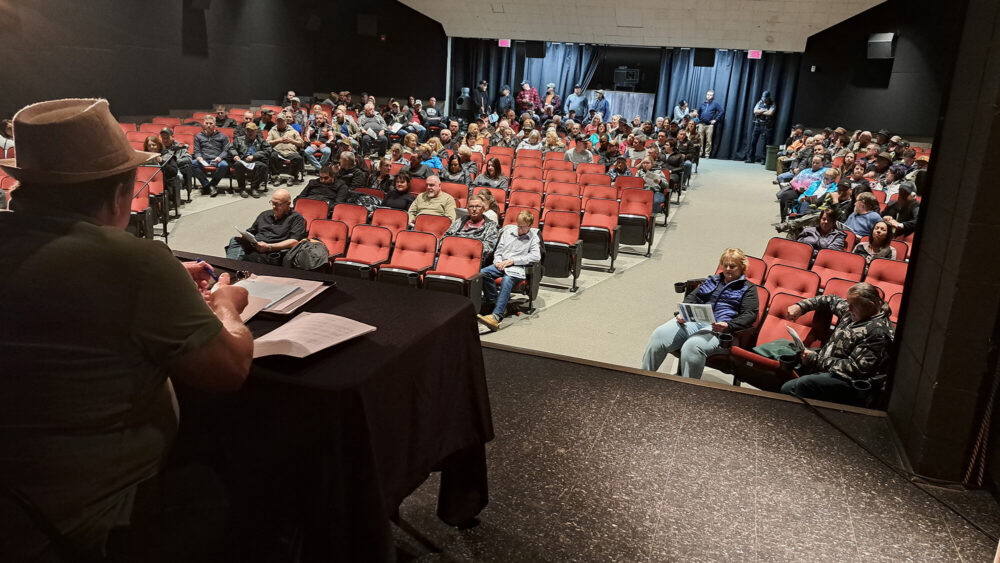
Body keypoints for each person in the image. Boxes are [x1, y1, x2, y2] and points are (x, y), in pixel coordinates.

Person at [0, 98, 252, 561]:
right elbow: (229, 369)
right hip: (88, 520)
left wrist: (163, 278)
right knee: (238, 488)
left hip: (13, 507)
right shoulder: (134, 262)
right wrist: (225, 306)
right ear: (120, 194)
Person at [641, 248, 760, 378]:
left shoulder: (748, 288)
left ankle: (688, 391)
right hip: (697, 320)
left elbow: (750, 315)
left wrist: (728, 325)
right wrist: (682, 313)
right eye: (725, 265)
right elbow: (692, 297)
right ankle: (644, 378)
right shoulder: (713, 280)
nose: (727, 269)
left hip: (720, 329)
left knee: (692, 346)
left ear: (742, 267)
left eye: (732, 266)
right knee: (660, 334)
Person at [780, 283, 894, 406]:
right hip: (828, 364)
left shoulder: (878, 333)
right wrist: (801, 306)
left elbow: (855, 369)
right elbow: (830, 299)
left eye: (853, 306)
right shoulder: (856, 311)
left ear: (870, 306)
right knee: (784, 354)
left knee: (791, 388)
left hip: (848, 382)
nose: (848, 308)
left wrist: (816, 360)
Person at [477, 210, 541, 331]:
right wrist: (497, 261)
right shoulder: (508, 233)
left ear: (530, 226)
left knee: (507, 280)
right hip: (502, 264)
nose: (520, 229)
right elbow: (499, 250)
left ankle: (496, 316)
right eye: (518, 226)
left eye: (523, 227)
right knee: (482, 273)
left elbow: (535, 257)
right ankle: (496, 303)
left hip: (517, 267)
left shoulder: (534, 238)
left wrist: (513, 261)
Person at [226, 188, 307, 264]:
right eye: (272, 203)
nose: (274, 207)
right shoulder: (265, 214)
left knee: (249, 258)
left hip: (272, 250)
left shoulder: (297, 218)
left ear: (288, 204)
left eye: (277, 204)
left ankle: (231, 266)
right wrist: (243, 236)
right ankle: (231, 265)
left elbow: (294, 242)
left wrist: (269, 247)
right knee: (235, 240)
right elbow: (251, 231)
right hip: (256, 245)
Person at [443, 194, 500, 261]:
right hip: (453, 255)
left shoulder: (490, 225)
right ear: (467, 209)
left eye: (478, 206)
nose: (474, 209)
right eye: (471, 206)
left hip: (473, 259)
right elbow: (444, 239)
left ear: (483, 209)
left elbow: (489, 248)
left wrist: (464, 249)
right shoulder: (460, 221)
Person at [192, 115, 231, 196]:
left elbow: (226, 150)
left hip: (217, 159)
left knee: (224, 165)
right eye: (207, 123)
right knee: (193, 163)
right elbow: (197, 150)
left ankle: (212, 184)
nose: (209, 125)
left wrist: (220, 157)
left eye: (211, 123)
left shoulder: (223, 136)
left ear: (215, 124)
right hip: (204, 159)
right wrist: (199, 157)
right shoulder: (198, 136)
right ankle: (207, 185)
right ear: (204, 124)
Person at [228, 122, 269, 197]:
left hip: (256, 160)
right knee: (238, 164)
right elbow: (231, 148)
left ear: (256, 131)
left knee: (263, 167)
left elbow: (268, 150)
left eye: (252, 131)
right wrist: (235, 155)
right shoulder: (239, 139)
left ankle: (254, 187)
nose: (250, 133)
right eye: (248, 131)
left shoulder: (261, 141)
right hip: (243, 160)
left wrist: (254, 156)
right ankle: (242, 188)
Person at [266, 114, 305, 186]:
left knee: (298, 158)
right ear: (276, 122)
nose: (280, 123)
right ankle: (276, 176)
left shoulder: (293, 131)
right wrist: (279, 140)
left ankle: (292, 176)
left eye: (282, 121)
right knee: (272, 156)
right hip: (278, 152)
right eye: (278, 121)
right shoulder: (272, 131)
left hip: (291, 152)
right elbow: (267, 142)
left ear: (286, 122)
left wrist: (291, 141)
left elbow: (301, 144)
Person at [745, 90, 775, 164]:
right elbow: (755, 111)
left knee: (765, 143)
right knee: (753, 142)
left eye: (765, 98)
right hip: (757, 124)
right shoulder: (759, 102)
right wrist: (764, 110)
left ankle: (763, 159)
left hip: (766, 125)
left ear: (768, 98)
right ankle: (751, 158)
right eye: (763, 98)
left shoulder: (772, 103)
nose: (764, 99)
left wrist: (760, 111)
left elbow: (770, 113)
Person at [696, 90, 724, 158]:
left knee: (709, 140)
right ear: (706, 95)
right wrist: (700, 119)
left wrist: (715, 120)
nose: (709, 96)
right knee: (700, 140)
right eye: (708, 94)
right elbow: (698, 112)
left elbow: (721, 111)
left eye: (711, 95)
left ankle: (707, 154)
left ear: (713, 96)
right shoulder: (702, 104)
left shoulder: (715, 104)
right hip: (701, 124)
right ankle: (700, 153)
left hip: (710, 125)